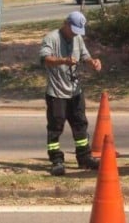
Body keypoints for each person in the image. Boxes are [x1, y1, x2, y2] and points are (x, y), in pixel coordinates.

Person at [39, 10, 103, 176]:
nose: (75, 34)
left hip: (75, 91)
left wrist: (92, 62)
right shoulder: (51, 38)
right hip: (56, 93)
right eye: (73, 30)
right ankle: (56, 160)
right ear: (66, 24)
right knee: (55, 126)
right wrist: (63, 60)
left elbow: (85, 55)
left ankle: (84, 157)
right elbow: (45, 59)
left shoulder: (77, 38)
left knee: (80, 124)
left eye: (78, 31)